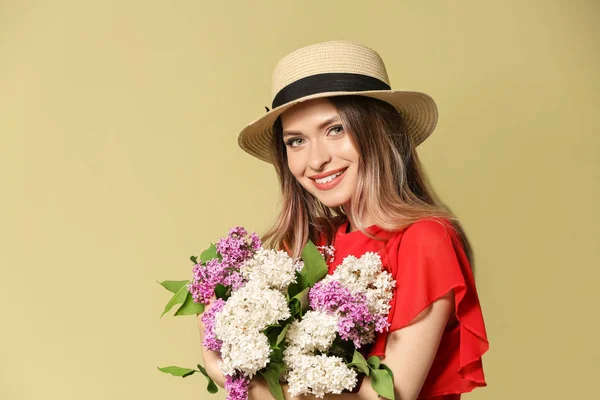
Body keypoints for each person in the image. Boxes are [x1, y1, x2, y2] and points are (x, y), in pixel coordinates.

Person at [198, 40, 489, 400]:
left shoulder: (426, 240)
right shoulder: (309, 249)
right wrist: (219, 325)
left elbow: (386, 396)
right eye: (296, 141)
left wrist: (242, 383)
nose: (316, 160)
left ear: (376, 130)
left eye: (335, 129)